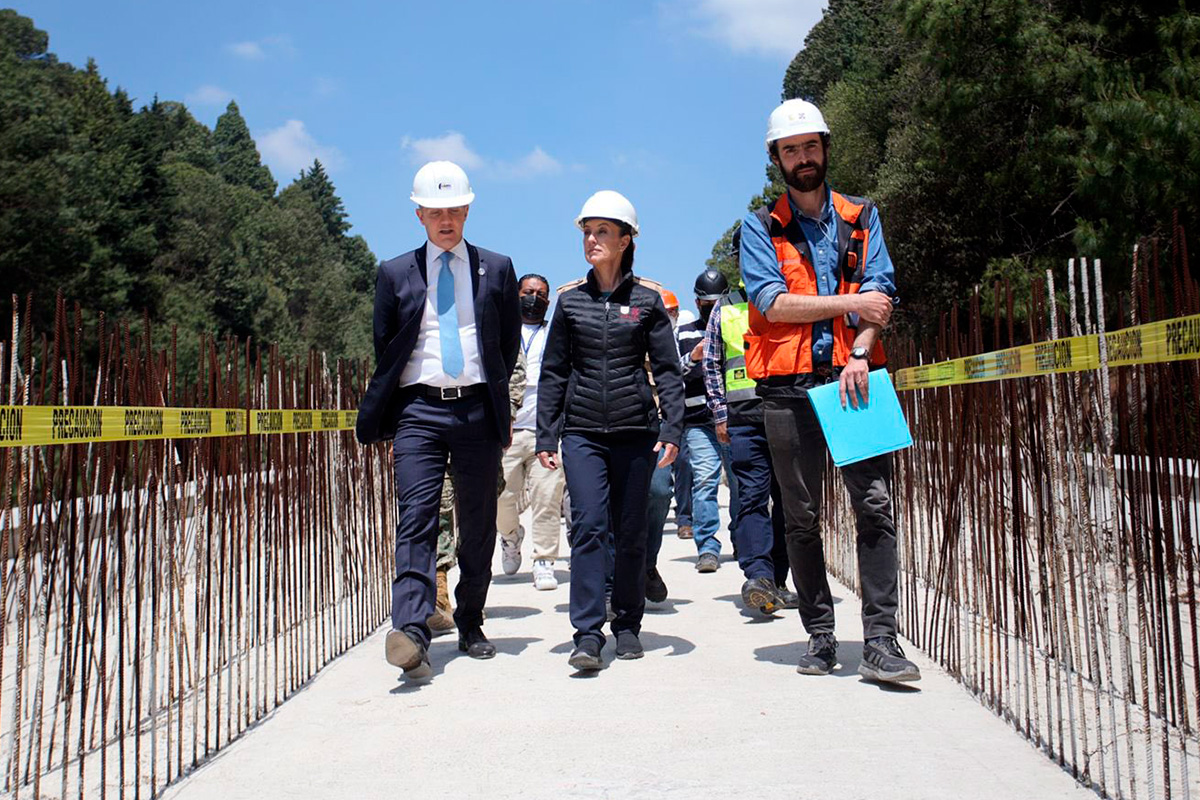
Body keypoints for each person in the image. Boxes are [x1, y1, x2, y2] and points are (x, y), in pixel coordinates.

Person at [739, 99, 919, 683]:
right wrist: (852, 304)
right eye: (790, 150)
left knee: (875, 509)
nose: (802, 157)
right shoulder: (760, 227)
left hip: (856, 380)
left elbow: (882, 294)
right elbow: (773, 302)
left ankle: (881, 642)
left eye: (810, 146)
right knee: (801, 517)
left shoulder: (863, 216)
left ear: (825, 148)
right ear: (776, 159)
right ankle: (820, 636)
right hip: (787, 391)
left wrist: (862, 348)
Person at [356, 160, 520, 680]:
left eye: (454, 209)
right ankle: (411, 630)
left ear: (467, 210)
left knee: (476, 525)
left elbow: (507, 341)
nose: (445, 219)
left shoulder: (496, 268)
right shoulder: (394, 272)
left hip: (475, 408)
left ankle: (471, 621)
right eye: (435, 211)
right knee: (417, 516)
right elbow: (387, 344)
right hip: (418, 410)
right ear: (419, 215)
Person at [536, 190, 685, 671]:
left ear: (625, 240)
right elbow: (554, 372)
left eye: (602, 231)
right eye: (587, 231)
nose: (592, 239)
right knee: (588, 526)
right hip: (581, 433)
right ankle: (586, 633)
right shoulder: (570, 303)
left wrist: (672, 430)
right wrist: (546, 435)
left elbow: (667, 370)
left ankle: (627, 623)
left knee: (631, 529)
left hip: (635, 431)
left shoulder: (647, 302)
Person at [702, 225, 798, 615]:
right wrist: (721, 414)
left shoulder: (795, 299)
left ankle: (777, 579)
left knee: (790, 502)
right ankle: (758, 576)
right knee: (754, 498)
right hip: (744, 419)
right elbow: (711, 363)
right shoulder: (726, 306)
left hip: (790, 415)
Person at [496, 274, 566, 590]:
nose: (533, 298)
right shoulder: (500, 333)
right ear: (516, 295)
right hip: (507, 431)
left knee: (547, 497)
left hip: (545, 431)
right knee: (501, 498)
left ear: (548, 301)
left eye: (540, 293)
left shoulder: (556, 334)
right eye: (528, 292)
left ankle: (544, 561)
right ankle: (510, 537)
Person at [678, 268, 740, 573]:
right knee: (704, 482)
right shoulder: (685, 332)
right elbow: (671, 373)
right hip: (699, 421)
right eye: (707, 302)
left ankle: (743, 539)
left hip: (732, 419)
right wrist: (694, 358)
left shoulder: (737, 324)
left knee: (742, 482)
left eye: (718, 301)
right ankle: (707, 548)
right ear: (697, 301)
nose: (712, 308)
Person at [660, 290, 695, 541]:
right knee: (659, 479)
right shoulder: (647, 336)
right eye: (666, 312)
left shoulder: (686, 334)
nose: (670, 316)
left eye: (673, 311)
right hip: (656, 412)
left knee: (684, 465)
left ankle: (685, 519)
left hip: (683, 411)